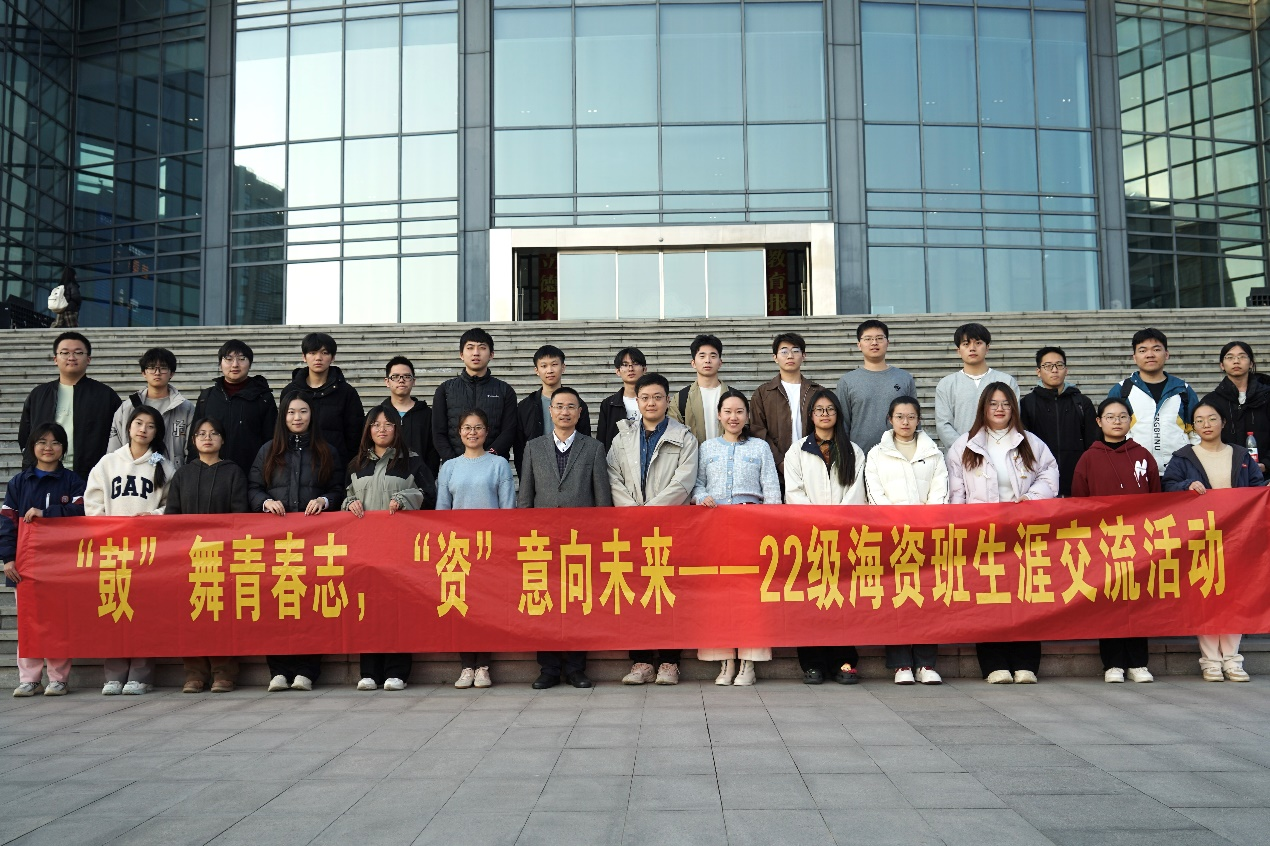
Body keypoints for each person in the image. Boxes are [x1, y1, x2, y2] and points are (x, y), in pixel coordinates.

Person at [947, 384, 1058, 684]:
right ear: (983, 408)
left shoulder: (1030, 442)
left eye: (1006, 404)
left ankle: (1025, 664)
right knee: (987, 597)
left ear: (1013, 408)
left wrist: (1031, 498)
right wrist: (962, 526)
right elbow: (956, 491)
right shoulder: (964, 445)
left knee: (1025, 596)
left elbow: (1049, 473)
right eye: (993, 403)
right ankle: (994, 664)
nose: (999, 409)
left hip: (1022, 532)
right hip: (982, 533)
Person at [249, 392, 345, 692]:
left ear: (311, 415)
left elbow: (339, 488)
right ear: (283, 416)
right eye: (291, 412)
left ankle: (306, 670)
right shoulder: (268, 451)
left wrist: (325, 500)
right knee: (277, 602)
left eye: (303, 411)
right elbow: (253, 488)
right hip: (276, 542)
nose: (297, 417)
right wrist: (264, 502)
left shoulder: (326, 451)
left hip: (314, 540)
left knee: (310, 603)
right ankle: (278, 670)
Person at [517, 387, 611, 689]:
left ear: (580, 412)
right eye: (559, 406)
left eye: (571, 406)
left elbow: (602, 497)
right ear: (550, 411)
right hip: (542, 541)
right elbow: (525, 496)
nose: (565, 412)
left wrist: (600, 536)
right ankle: (548, 668)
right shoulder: (533, 447)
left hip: (580, 541)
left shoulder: (593, 448)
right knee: (544, 602)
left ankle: (575, 668)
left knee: (577, 602)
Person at [1162, 401, 1264, 683]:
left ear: (1223, 422)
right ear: (1193, 426)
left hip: (1237, 536)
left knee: (1234, 597)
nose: (1206, 424)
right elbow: (1168, 486)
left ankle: (1232, 660)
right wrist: (1186, 486)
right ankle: (1210, 661)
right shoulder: (1184, 457)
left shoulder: (1241, 455)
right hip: (1201, 537)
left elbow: (1257, 488)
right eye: (1199, 420)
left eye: (1212, 418)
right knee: (1205, 596)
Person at [608, 373, 699, 686]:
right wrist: (634, 513)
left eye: (657, 397)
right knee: (635, 594)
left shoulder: (684, 437)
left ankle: (670, 662)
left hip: (670, 527)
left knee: (670, 593)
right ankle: (642, 661)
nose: (651, 403)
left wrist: (651, 512)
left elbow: (684, 481)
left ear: (667, 400)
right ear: (637, 401)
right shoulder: (621, 438)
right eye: (645, 397)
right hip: (632, 527)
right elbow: (612, 477)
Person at [345, 406, 437, 692]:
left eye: (388, 424)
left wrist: (404, 498)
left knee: (398, 610)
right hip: (365, 549)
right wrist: (349, 503)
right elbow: (345, 496)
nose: (382, 429)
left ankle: (397, 671)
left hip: (400, 549)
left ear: (397, 428)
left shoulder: (412, 462)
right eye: (375, 424)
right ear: (368, 429)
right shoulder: (357, 464)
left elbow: (430, 495)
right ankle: (369, 671)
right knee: (367, 609)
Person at [692, 389, 780, 686]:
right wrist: (702, 496)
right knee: (718, 596)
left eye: (739, 411)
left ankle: (748, 663)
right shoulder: (706, 448)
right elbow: (696, 484)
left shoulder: (760, 447)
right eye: (728, 411)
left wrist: (769, 528)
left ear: (747, 416)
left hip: (750, 528)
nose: (733, 417)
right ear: (719, 415)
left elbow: (771, 489)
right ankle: (725, 661)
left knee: (750, 596)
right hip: (714, 527)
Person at [85, 405, 174, 695]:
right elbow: (93, 501)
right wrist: (105, 528)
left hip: (148, 551)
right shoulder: (108, 463)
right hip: (113, 549)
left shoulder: (164, 466)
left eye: (150, 425)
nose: (143, 429)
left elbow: (172, 505)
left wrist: (154, 517)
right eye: (138, 423)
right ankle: (114, 675)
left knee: (144, 613)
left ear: (157, 432)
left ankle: (140, 675)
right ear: (128, 426)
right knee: (114, 609)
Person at [1071, 397, 1160, 685]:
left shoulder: (1143, 456)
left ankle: (1138, 663)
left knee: (1138, 600)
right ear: (1099, 422)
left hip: (1139, 541)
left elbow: (1157, 497)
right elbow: (1079, 501)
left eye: (1122, 416)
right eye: (1110, 417)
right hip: (1103, 542)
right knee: (1108, 602)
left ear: (1130, 420)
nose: (1117, 421)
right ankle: (1113, 664)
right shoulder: (1089, 458)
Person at [784, 389, 866, 685]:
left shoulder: (853, 451)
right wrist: (818, 522)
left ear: (838, 414)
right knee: (810, 600)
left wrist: (838, 522)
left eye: (830, 409)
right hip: (809, 536)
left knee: (844, 598)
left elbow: (857, 491)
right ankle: (812, 664)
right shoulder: (797, 451)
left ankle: (844, 660)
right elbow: (793, 492)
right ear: (810, 415)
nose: (824, 414)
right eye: (819, 410)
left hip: (844, 536)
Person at [864, 396, 947, 686]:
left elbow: (940, 490)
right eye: (899, 416)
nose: (905, 422)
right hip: (892, 536)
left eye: (911, 416)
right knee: (896, 597)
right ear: (890, 419)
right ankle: (901, 664)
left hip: (925, 535)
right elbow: (874, 493)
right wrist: (895, 523)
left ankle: (926, 663)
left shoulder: (933, 452)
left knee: (927, 597)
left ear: (918, 419)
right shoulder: (877, 454)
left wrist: (926, 523)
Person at [166, 416, 250, 693]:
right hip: (189, 558)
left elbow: (240, 515)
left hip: (223, 557)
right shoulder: (183, 474)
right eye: (201, 433)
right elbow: (172, 516)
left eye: (214, 433)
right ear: (193, 440)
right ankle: (195, 674)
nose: (207, 438)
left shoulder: (233, 472)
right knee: (192, 615)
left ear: (222, 440)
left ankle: (224, 673)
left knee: (222, 615)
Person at [1, 423, 85, 697]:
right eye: (42, 442)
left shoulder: (72, 481)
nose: (48, 447)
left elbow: (82, 510)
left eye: (55, 442)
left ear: (63, 448)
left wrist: (47, 512)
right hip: (26, 564)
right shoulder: (18, 483)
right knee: (29, 622)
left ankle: (58, 679)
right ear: (32, 447)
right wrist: (8, 559)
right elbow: (7, 523)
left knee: (58, 621)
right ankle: (29, 679)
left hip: (62, 564)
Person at [438, 409, 514, 688]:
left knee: (486, 608)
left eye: (478, 427)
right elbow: (442, 509)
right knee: (461, 608)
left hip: (489, 547)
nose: (473, 433)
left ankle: (483, 666)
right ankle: (466, 666)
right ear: (459, 432)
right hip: (458, 548)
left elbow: (507, 508)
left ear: (486, 432)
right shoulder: (449, 467)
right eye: (467, 428)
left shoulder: (499, 464)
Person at [19, 332, 121, 480]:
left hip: (90, 473)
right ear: (55, 359)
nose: (71, 357)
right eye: (65, 353)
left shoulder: (106, 395)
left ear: (88, 359)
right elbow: (25, 434)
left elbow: (118, 434)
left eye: (78, 353)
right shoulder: (39, 394)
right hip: (43, 472)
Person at [1109, 328, 1199, 472]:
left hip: (1179, 470)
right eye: (1142, 350)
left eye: (1156, 349)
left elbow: (1196, 432)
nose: (1150, 355)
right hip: (1135, 469)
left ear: (1166, 354)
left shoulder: (1183, 390)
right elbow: (1110, 433)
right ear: (1134, 357)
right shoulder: (1121, 390)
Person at [189, 340, 278, 475]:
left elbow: (271, 441)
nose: (235, 364)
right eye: (229, 359)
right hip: (210, 474)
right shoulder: (206, 397)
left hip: (251, 475)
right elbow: (195, 438)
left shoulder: (263, 398)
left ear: (250, 364)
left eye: (241, 359)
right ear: (220, 364)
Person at [1019, 346, 1098, 497]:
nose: (1054, 370)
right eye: (1048, 366)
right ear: (1038, 371)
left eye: (1059, 365)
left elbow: (1093, 443)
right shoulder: (1027, 404)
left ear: (1066, 370)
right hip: (1040, 482)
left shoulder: (1082, 403)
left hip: (1077, 479)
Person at [432, 328, 518, 462]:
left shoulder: (505, 390)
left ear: (491, 354)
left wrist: (490, 456)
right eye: (470, 348)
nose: (476, 353)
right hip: (456, 465)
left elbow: (509, 430)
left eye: (482, 348)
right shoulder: (445, 390)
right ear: (461, 354)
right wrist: (454, 461)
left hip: (493, 465)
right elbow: (438, 432)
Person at [283, 332, 365, 466]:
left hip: (335, 464)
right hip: (297, 464)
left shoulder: (346, 392)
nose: (318, 358)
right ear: (304, 357)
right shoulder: (290, 391)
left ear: (333, 357)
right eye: (312, 353)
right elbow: (282, 430)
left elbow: (355, 434)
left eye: (325, 353)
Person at [107, 347, 195, 472]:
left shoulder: (185, 408)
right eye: (152, 368)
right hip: (132, 475)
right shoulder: (128, 407)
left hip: (174, 475)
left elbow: (192, 448)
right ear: (144, 372)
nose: (157, 372)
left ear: (171, 373)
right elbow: (114, 447)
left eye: (163, 368)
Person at [836, 319, 917, 453]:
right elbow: (842, 424)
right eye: (868, 339)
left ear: (887, 343)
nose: (874, 343)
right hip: (860, 455)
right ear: (859, 345)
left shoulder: (904, 378)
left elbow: (914, 418)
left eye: (879, 338)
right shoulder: (847, 381)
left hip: (900, 454)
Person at [935, 323, 1019, 449]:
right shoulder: (947, 384)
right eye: (966, 344)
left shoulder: (1007, 381)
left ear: (987, 348)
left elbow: (1014, 418)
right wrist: (966, 448)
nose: (972, 348)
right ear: (958, 350)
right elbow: (943, 424)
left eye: (978, 343)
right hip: (961, 454)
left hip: (999, 451)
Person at [750, 332, 822, 481]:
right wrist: (779, 462)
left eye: (795, 351)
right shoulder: (763, 393)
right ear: (775, 357)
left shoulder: (818, 392)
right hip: (774, 471)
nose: (790, 356)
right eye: (784, 351)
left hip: (812, 466)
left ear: (804, 355)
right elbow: (758, 430)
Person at [514, 344, 591, 475]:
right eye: (544, 366)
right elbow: (519, 447)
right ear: (536, 370)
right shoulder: (525, 406)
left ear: (563, 367)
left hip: (571, 472)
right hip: (537, 472)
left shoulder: (578, 404)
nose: (549, 370)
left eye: (554, 364)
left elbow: (585, 441)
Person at [1203, 341, 1269, 473]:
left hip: (1264, 476)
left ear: (1251, 363)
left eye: (1242, 356)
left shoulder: (1266, 397)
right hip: (1224, 473)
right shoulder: (1211, 401)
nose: (1236, 361)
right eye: (1230, 357)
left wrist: (1266, 465)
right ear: (1222, 365)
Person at [368, 356, 439, 476]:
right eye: (395, 377)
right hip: (383, 479)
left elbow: (433, 451)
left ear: (413, 381)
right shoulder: (376, 415)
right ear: (387, 382)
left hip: (419, 479)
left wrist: (427, 477)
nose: (401, 380)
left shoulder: (427, 414)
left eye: (406, 376)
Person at [669, 334, 730, 446]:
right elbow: (673, 433)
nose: (707, 360)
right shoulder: (681, 399)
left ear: (720, 363)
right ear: (693, 363)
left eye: (713, 356)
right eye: (702, 356)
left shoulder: (733, 396)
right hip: (693, 455)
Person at [597, 347, 647, 451]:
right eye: (625, 365)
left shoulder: (653, 402)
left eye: (635, 363)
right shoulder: (609, 404)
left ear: (644, 369)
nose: (630, 368)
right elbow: (601, 441)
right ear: (618, 371)